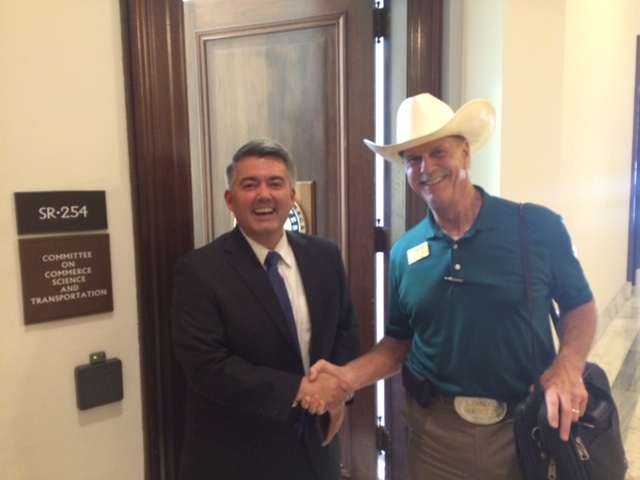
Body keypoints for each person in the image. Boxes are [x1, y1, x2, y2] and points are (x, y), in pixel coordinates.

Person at [302, 93, 597, 479]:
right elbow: (398, 344)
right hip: (435, 436)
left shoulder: (535, 227)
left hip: (525, 427)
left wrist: (568, 366)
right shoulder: (404, 253)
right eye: (413, 159)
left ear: (465, 154)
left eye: (438, 151)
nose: (427, 167)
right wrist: (345, 378)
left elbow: (580, 306)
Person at [171, 138, 359, 480]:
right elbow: (207, 367)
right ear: (230, 200)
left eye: (275, 183)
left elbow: (345, 332)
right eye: (249, 185)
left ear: (292, 195)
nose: (264, 195)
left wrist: (337, 393)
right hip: (236, 458)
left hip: (317, 452)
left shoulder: (325, 256)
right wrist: (301, 390)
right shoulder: (199, 271)